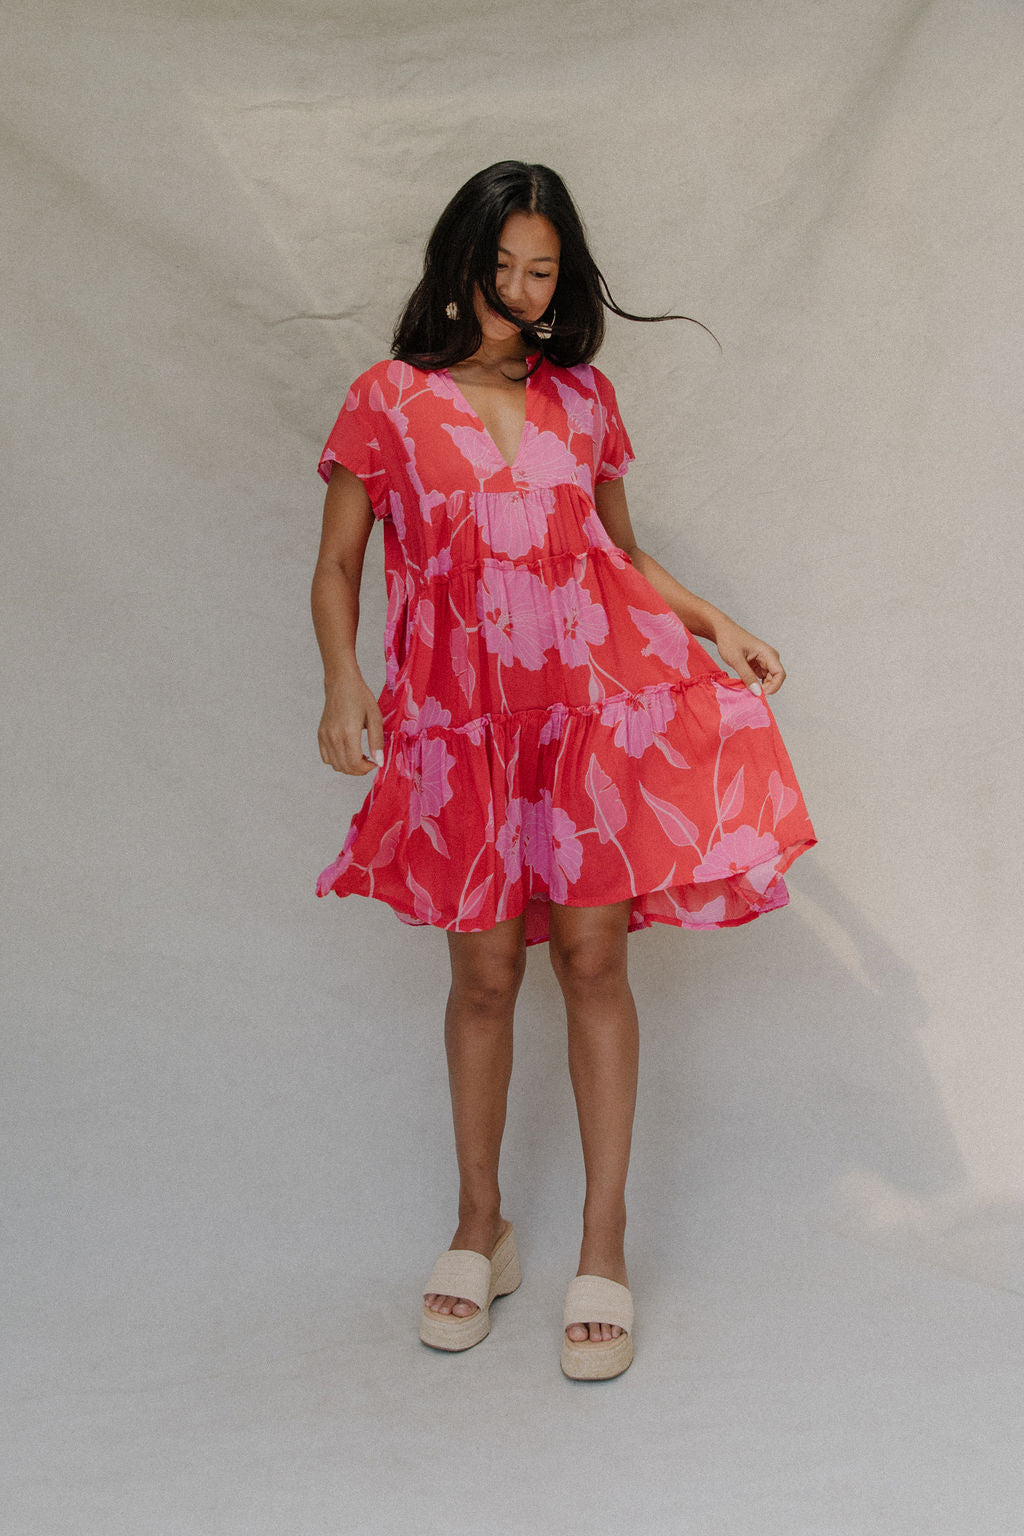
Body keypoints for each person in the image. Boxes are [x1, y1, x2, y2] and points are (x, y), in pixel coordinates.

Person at [311, 161, 815, 1380]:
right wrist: (341, 682)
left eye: (542, 275)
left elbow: (618, 558)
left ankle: (604, 1234)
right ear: (457, 261)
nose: (519, 295)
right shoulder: (385, 400)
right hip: (457, 724)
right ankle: (481, 1225)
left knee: (593, 958)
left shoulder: (583, 399)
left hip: (584, 719)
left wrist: (712, 624)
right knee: (483, 977)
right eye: (501, 269)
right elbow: (338, 567)